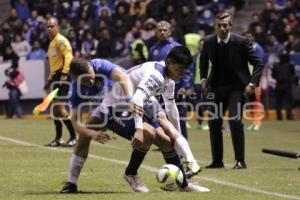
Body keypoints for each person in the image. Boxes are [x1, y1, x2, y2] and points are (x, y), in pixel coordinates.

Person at [61, 47, 209, 193]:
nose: (91, 81)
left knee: (165, 140)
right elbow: (74, 121)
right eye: (86, 80)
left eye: (92, 76)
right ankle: (73, 183)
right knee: (85, 137)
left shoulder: (99, 65)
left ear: (91, 66)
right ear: (76, 79)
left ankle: (183, 184)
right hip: (113, 108)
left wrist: (130, 99)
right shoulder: (75, 91)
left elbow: (123, 77)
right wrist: (92, 133)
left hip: (134, 101)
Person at [200, 11, 264, 169]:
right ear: (215, 26)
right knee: (214, 122)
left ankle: (240, 161)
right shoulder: (208, 41)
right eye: (219, 25)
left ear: (230, 25)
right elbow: (203, 61)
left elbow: (258, 63)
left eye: (225, 25)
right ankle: (217, 161)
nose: (222, 28)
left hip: (237, 88)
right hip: (215, 88)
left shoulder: (242, 41)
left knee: (235, 121)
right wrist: (203, 78)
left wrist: (252, 83)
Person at [148, 20, 201, 174]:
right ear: (156, 32)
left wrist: (185, 85)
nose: (162, 32)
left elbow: (187, 68)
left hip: (176, 88)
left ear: (170, 31)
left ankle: (182, 144)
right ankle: (171, 145)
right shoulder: (153, 49)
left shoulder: (176, 47)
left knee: (179, 117)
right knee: (161, 117)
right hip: (158, 89)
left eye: (165, 30)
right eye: (160, 30)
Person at [44, 17, 76, 147]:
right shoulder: (52, 43)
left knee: (60, 109)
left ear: (57, 27)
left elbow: (68, 56)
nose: (50, 28)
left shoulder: (61, 40)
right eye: (48, 26)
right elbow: (54, 63)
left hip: (62, 76)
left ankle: (74, 137)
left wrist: (64, 73)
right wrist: (49, 79)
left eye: (52, 26)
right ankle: (58, 139)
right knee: (55, 110)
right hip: (55, 77)